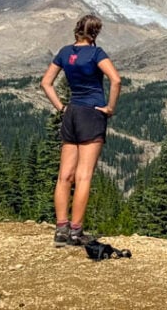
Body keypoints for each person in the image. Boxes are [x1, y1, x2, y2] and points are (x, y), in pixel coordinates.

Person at [41, 13, 121, 247]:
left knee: (64, 176)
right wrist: (109, 108)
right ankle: (76, 231)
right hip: (91, 114)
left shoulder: (65, 52)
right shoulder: (96, 53)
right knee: (83, 176)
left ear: (77, 30)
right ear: (95, 33)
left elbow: (46, 82)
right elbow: (116, 80)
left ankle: (61, 229)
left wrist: (61, 107)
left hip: (71, 113)